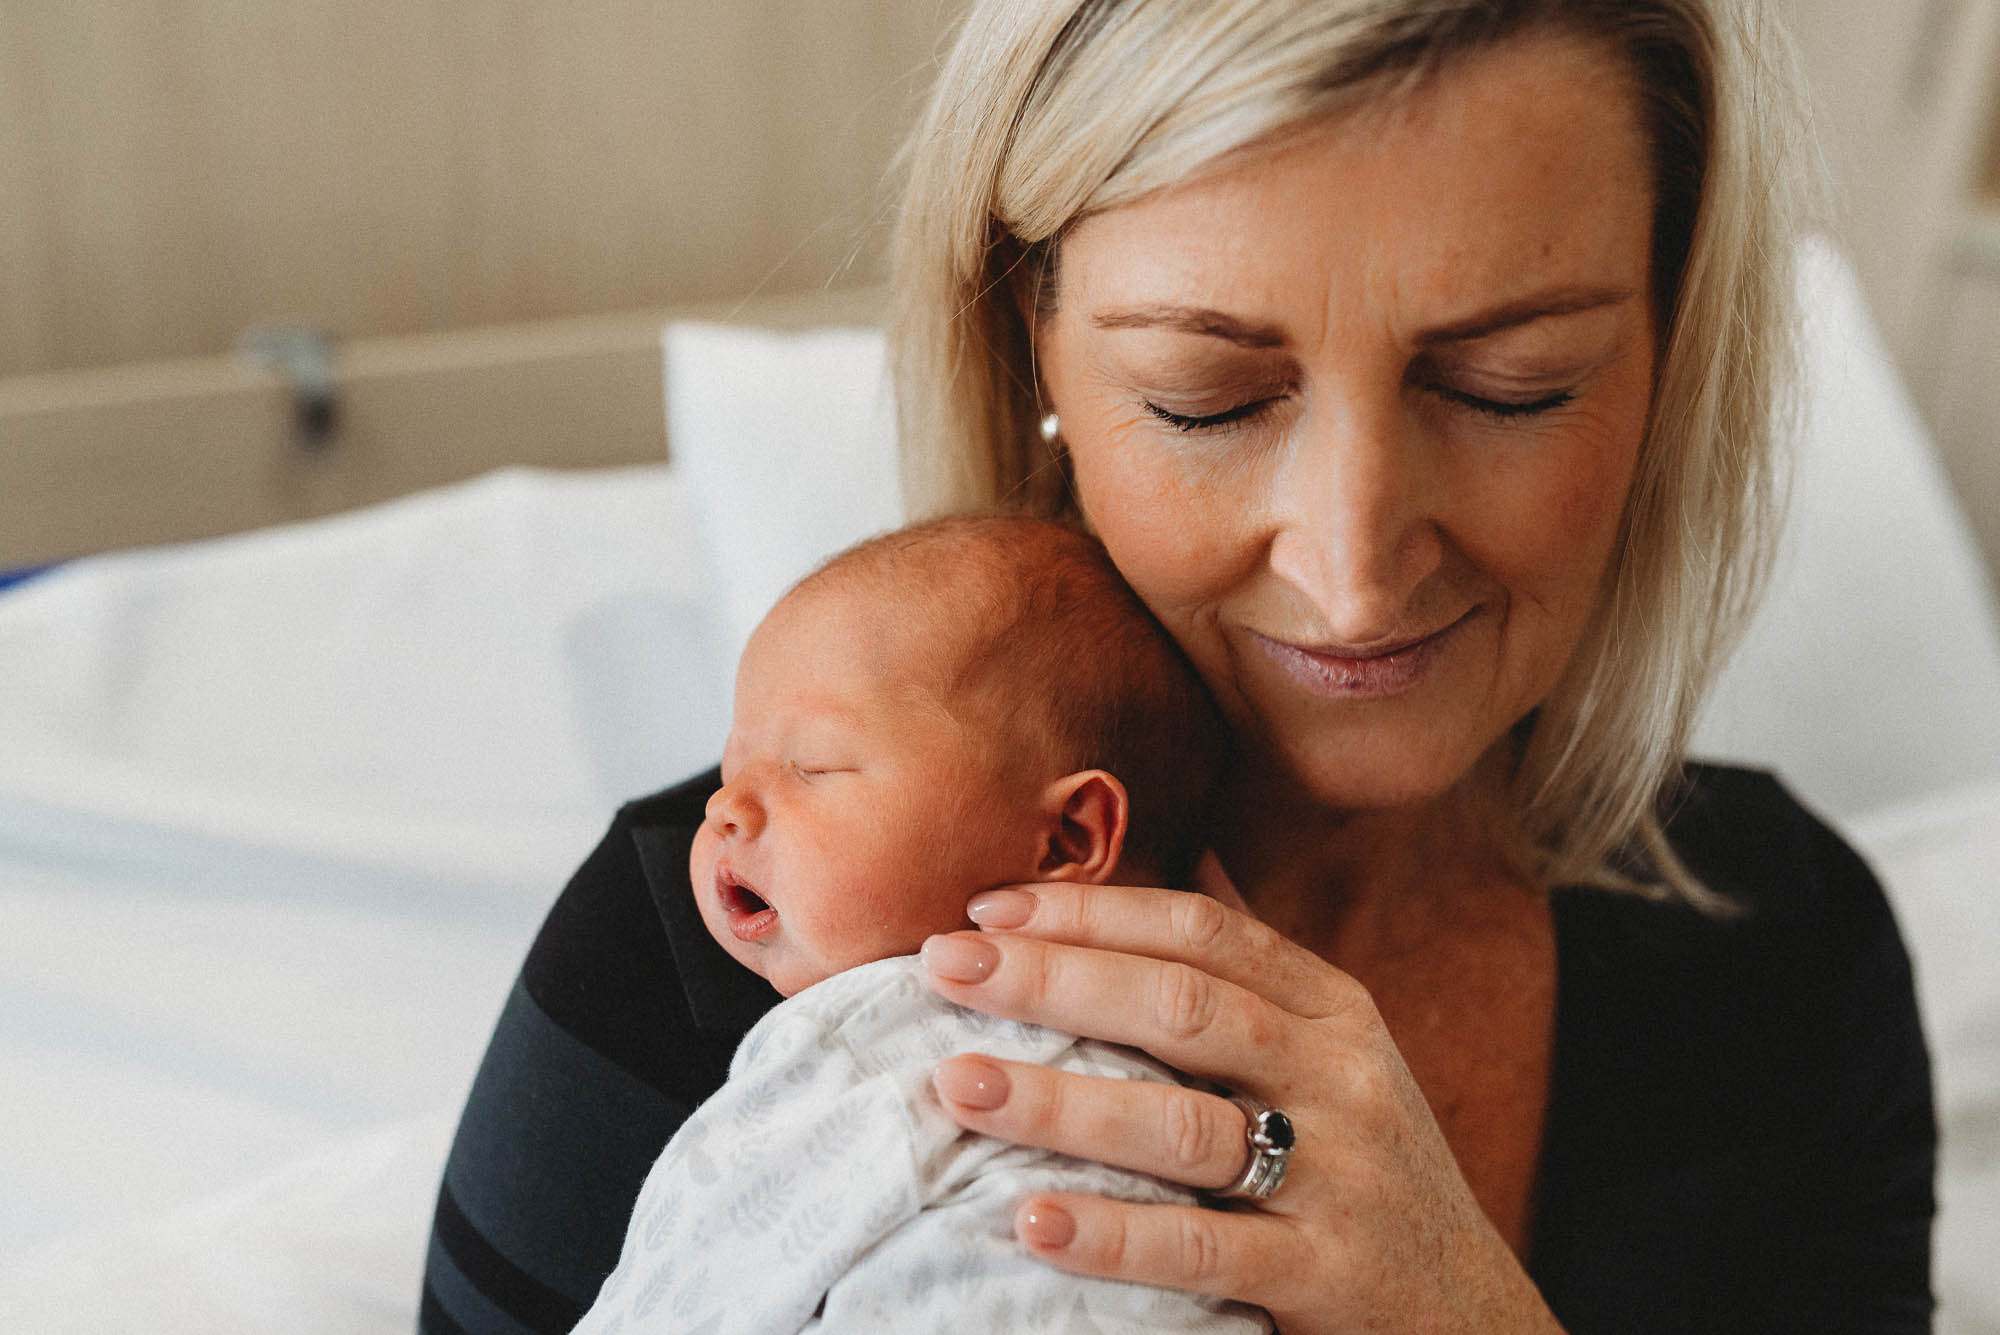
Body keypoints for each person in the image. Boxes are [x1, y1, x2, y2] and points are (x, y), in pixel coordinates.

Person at [421, 3, 1937, 1333]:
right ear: (1041, 351)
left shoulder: (1784, 959)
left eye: (1506, 384)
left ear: (1670, 346)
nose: (1351, 571)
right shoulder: (707, 938)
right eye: (1208, 400)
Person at [570, 514, 1265, 1333]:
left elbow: (684, 1286)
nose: (725, 806)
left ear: (1068, 837)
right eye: (732, 768)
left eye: (812, 765)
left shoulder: (849, 1037)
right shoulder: (1225, 1068)